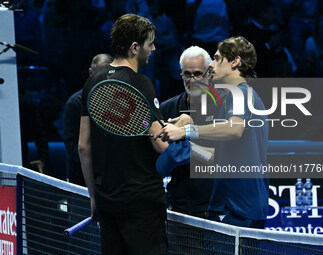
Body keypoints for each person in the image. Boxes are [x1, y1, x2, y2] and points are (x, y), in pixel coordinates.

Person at [157, 36, 269, 230]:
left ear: (235, 61)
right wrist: (190, 144)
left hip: (236, 206)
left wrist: (186, 131)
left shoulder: (240, 93)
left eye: (217, 59)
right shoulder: (242, 95)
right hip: (245, 204)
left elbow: (235, 128)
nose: (213, 65)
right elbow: (224, 155)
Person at [78, 14, 168, 255]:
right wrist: (185, 132)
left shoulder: (92, 83)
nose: (154, 48)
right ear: (135, 47)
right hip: (142, 202)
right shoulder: (141, 84)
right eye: (150, 43)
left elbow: (83, 147)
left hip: (107, 199)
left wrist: (94, 197)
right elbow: (161, 145)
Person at [160, 46, 221, 218]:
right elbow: (158, 161)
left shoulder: (225, 108)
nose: (192, 80)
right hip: (179, 209)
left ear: (209, 73)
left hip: (215, 210)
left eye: (197, 74)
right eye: (187, 74)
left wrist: (188, 138)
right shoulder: (167, 109)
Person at [63, 53, 113, 186]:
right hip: (80, 179)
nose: (103, 79)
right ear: (91, 73)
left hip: (113, 177)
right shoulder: (75, 103)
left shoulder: (120, 101)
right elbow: (72, 145)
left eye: (108, 75)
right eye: (99, 74)